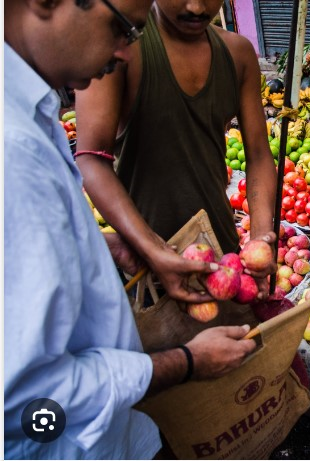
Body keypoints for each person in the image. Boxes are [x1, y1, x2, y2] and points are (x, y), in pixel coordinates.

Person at [4, 0, 258, 457]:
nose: (124, 52)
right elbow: (29, 405)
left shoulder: (30, 113)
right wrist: (182, 364)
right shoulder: (13, 152)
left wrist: (99, 246)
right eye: (123, 28)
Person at [74, 0, 278, 302]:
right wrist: (152, 249)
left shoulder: (237, 54)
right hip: (147, 265)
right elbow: (91, 159)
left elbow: (259, 154)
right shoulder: (123, 48)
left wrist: (260, 238)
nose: (196, 7)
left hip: (222, 253)